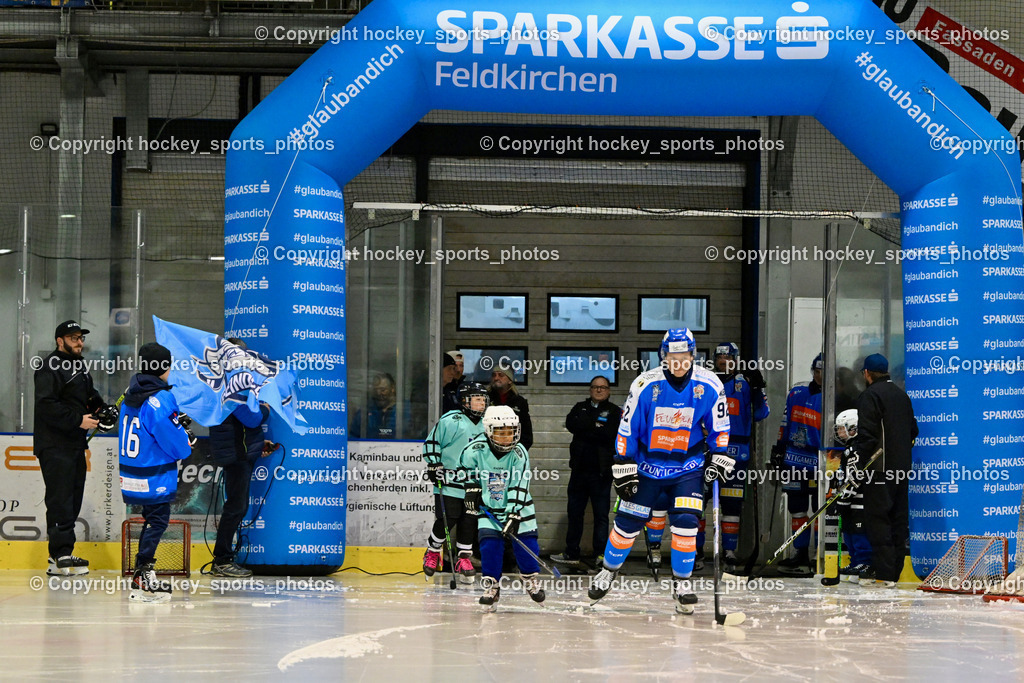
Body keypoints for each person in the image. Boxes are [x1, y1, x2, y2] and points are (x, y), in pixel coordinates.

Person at [588, 328, 731, 613]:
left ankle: (682, 583)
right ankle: (608, 570)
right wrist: (624, 463)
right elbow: (627, 427)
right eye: (672, 356)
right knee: (627, 523)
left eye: (684, 356)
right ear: (663, 356)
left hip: (687, 467)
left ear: (693, 355)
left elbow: (720, 426)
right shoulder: (645, 384)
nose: (679, 362)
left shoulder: (711, 384)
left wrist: (720, 456)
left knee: (687, 523)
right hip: (646, 467)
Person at [34, 320, 116, 576]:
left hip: (73, 444)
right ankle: (59, 556)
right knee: (60, 499)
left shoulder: (78, 365)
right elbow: (46, 405)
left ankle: (62, 554)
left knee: (72, 499)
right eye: (74, 338)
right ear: (60, 341)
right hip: (55, 445)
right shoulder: (50, 368)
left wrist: (102, 410)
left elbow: (88, 395)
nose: (80, 342)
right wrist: (78, 420)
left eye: (81, 337)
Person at [118, 342, 196, 603]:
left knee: (153, 519)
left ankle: (142, 574)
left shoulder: (132, 391)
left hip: (132, 472)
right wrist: (186, 440)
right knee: (158, 520)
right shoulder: (160, 397)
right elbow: (171, 440)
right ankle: (143, 575)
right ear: (164, 367)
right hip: (154, 473)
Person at [460, 405, 545, 606]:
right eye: (501, 432)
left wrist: (514, 514)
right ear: (488, 430)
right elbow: (464, 469)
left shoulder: (519, 452)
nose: (507, 437)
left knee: (526, 545)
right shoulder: (475, 449)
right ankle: (492, 585)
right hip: (489, 508)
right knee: (489, 546)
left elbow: (520, 483)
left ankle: (530, 578)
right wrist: (472, 489)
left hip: (519, 508)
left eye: (510, 432)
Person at [207, 338, 278, 578]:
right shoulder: (231, 387)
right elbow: (252, 419)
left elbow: (244, 427)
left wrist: (259, 445)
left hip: (241, 451)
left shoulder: (228, 384)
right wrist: (266, 408)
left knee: (237, 506)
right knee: (236, 506)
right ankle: (222, 559)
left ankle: (224, 558)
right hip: (236, 455)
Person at [848, 353, 918, 587]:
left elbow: (866, 436)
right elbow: (913, 431)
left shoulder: (870, 395)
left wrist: (858, 465)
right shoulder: (902, 395)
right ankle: (894, 572)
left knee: (878, 521)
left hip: (878, 471)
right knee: (898, 520)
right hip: (901, 470)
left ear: (867, 374)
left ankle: (884, 575)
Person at [421, 381, 489, 581]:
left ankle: (464, 558)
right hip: (449, 479)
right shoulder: (452, 420)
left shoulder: (487, 422)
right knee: (448, 518)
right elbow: (433, 442)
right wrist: (434, 464)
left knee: (469, 520)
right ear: (465, 401)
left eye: (483, 399)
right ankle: (432, 551)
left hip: (473, 483)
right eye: (477, 399)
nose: (482, 403)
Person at [551, 376, 621, 566]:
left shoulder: (615, 412)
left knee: (601, 515)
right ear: (590, 390)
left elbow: (609, 434)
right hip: (579, 470)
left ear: (608, 391)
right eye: (595, 387)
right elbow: (572, 425)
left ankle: (600, 555)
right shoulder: (579, 407)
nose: (599, 390)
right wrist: (595, 427)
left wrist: (588, 427)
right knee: (574, 513)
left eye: (603, 387)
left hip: (601, 472)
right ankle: (571, 553)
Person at [770, 353, 826, 576]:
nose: (820, 375)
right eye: (818, 370)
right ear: (813, 371)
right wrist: (779, 448)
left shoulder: (834, 395)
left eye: (825, 371)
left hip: (819, 461)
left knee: (820, 508)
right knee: (797, 509)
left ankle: (819, 554)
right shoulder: (797, 392)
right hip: (794, 459)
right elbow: (785, 421)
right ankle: (800, 552)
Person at [832, 409, 873, 581]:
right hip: (848, 499)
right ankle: (855, 560)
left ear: (854, 427)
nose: (840, 432)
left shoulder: (858, 447)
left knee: (858, 531)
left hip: (859, 500)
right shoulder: (848, 448)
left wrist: (846, 497)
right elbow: (844, 474)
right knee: (847, 530)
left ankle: (864, 561)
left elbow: (856, 476)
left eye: (842, 428)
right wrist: (838, 494)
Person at [350, 372, 411, 439]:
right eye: (376, 390)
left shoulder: (406, 409)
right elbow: (353, 436)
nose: (379, 393)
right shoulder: (365, 412)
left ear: (392, 388)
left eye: (383, 390)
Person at [488, 364, 533, 450]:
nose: (496, 378)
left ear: (510, 380)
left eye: (501, 375)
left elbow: (526, 435)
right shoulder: (485, 399)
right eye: (494, 375)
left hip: (512, 451)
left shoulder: (519, 402)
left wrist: (516, 452)